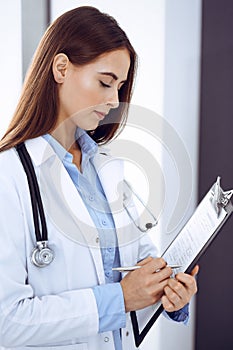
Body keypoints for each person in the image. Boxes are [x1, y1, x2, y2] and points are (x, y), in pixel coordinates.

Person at [0, 6, 198, 350]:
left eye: (119, 87)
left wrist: (169, 291)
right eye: (105, 82)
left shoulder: (107, 169)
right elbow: (7, 322)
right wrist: (118, 299)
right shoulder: (9, 176)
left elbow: (134, 275)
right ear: (61, 68)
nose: (114, 101)